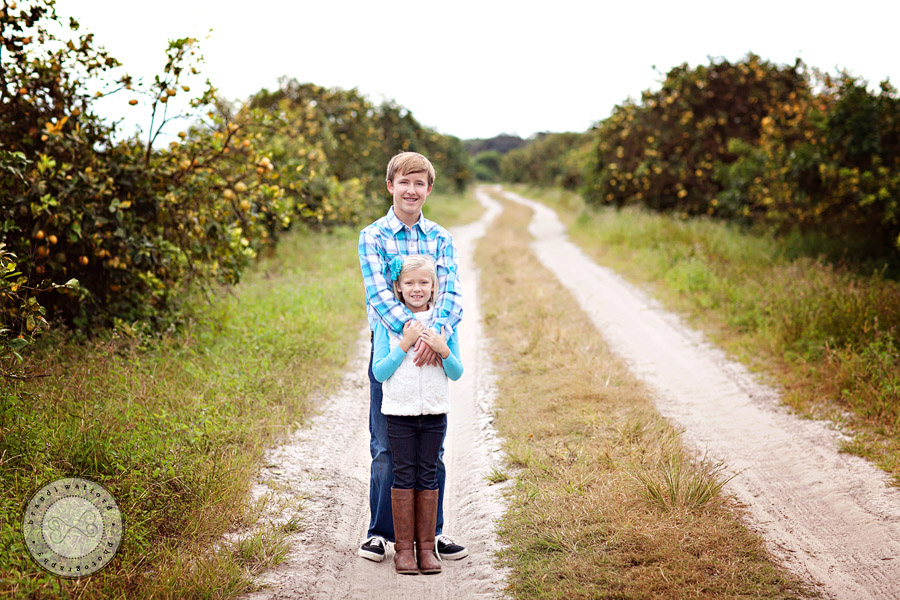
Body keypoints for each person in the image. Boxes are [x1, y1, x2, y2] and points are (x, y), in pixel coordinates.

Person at [357, 151, 468, 563]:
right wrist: (413, 334)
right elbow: (378, 294)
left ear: (429, 189)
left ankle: (431, 533)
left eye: (419, 183)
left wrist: (435, 336)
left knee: (431, 448)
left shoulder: (441, 237)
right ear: (390, 185)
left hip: (436, 342)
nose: (411, 190)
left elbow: (451, 291)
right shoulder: (373, 236)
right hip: (392, 341)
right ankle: (381, 533)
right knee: (386, 444)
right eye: (404, 181)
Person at [372, 254, 463, 574]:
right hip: (400, 412)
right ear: (398, 287)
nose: (417, 288)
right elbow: (379, 372)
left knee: (428, 473)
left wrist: (442, 347)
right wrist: (405, 343)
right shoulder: (387, 324)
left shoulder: (444, 325)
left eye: (424, 282)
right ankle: (404, 550)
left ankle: (426, 548)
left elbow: (456, 371)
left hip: (434, 411)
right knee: (403, 474)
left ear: (434, 286)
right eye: (409, 282)